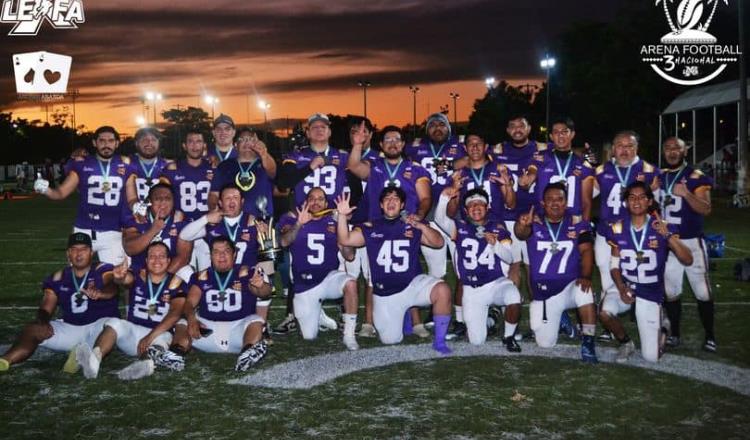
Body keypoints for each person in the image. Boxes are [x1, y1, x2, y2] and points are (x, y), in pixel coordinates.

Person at [336, 188, 453, 354]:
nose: (391, 202)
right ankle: (404, 316)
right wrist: (341, 216)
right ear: (381, 205)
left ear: (402, 204)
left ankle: (440, 342)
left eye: (396, 199)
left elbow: (438, 242)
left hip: (412, 286)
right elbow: (345, 239)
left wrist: (419, 224)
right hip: (385, 294)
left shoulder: (411, 224)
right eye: (387, 199)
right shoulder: (371, 226)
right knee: (390, 340)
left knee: (442, 290)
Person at [348, 124, 433, 337]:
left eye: (397, 140)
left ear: (403, 144)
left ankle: (416, 323)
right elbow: (353, 165)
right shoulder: (374, 166)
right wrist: (358, 144)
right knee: (371, 275)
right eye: (388, 140)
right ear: (381, 144)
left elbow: (425, 198)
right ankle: (368, 323)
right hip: (378, 227)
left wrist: (419, 217)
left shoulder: (416, 169)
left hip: (406, 227)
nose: (393, 143)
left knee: (411, 272)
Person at [0, 233, 123, 373]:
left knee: (114, 325)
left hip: (98, 328)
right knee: (33, 328)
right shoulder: (57, 278)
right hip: (70, 328)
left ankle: (88, 358)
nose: (79, 253)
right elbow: (47, 305)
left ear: (91, 253)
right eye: (74, 249)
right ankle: (5, 360)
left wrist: (101, 293)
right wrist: (42, 321)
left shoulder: (102, 269)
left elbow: (112, 287)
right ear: (68, 254)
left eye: (83, 249)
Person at [599, 181, 693, 363]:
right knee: (604, 313)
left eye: (642, 197)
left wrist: (667, 236)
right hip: (626, 285)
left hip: (650, 291)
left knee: (652, 357)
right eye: (632, 197)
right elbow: (614, 265)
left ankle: (664, 326)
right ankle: (626, 343)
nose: (636, 201)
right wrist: (620, 287)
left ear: (650, 201)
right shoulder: (617, 227)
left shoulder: (662, 226)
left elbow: (687, 259)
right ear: (626, 202)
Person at [75, 242, 188, 379]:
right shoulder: (138, 275)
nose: (157, 260)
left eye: (161, 256)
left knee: (163, 340)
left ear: (169, 261)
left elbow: (175, 313)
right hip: (133, 332)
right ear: (146, 260)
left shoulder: (176, 283)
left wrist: (150, 337)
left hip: (159, 334)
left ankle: (145, 364)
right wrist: (120, 277)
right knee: (114, 323)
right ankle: (93, 362)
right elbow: (126, 280)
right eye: (152, 256)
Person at [513, 182, 598, 363]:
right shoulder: (534, 221)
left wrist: (586, 276)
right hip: (544, 294)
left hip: (569, 288)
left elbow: (587, 251)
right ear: (543, 203)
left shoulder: (577, 223)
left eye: (559, 199)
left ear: (566, 202)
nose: (555, 203)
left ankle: (588, 341)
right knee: (545, 343)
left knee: (585, 291)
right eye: (550, 200)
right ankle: (562, 319)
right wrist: (522, 225)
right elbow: (521, 234)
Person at [435, 186, 522, 351]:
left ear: (487, 207)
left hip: (495, 283)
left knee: (513, 295)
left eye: (480, 204)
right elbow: (440, 220)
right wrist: (443, 199)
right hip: (471, 289)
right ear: (466, 211)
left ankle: (509, 337)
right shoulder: (459, 228)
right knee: (476, 341)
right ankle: (492, 319)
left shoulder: (498, 228)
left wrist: (495, 244)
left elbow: (509, 258)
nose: (476, 208)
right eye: (472, 205)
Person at [446, 133, 514, 339]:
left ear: (486, 146)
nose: (474, 147)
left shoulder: (498, 169)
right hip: (469, 228)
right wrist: (454, 192)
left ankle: (505, 311)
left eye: (479, 143)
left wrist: (507, 185)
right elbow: (450, 211)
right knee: (463, 273)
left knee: (505, 270)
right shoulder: (461, 173)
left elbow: (511, 203)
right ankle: (460, 321)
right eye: (470, 144)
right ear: (465, 148)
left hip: (496, 227)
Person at [593, 130, 660, 341]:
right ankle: (609, 323)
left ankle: (645, 313)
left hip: (636, 236)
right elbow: (585, 197)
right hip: (606, 233)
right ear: (613, 148)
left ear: (636, 148)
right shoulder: (602, 170)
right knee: (606, 277)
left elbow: (656, 205)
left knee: (640, 275)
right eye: (620, 146)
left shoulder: (648, 170)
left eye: (629, 146)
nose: (624, 150)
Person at [34, 126, 134, 264]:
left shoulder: (126, 164)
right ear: (95, 143)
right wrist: (46, 190)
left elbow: (132, 198)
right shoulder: (81, 164)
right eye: (102, 140)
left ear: (117, 143)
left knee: (115, 278)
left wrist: (137, 206)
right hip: (83, 229)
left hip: (113, 231)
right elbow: (61, 193)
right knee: (77, 276)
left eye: (111, 141)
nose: (106, 144)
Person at [279, 187, 360, 350]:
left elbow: (349, 256)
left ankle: (349, 335)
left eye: (320, 199)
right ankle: (318, 312)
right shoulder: (293, 217)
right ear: (306, 201)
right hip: (304, 285)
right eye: (312, 198)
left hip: (328, 279)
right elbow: (284, 242)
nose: (316, 202)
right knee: (309, 337)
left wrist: (342, 234)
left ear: (326, 202)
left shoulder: (334, 220)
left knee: (351, 283)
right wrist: (299, 224)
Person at [659, 137, 716, 352]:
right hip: (669, 242)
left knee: (702, 291)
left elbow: (706, 209)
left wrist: (687, 194)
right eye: (668, 148)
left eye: (677, 148)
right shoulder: (661, 176)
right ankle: (675, 334)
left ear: (685, 151)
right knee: (672, 291)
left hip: (691, 241)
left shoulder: (695, 177)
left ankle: (710, 336)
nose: (672, 152)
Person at [183, 237, 272, 372]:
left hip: (239, 332)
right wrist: (191, 319)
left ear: (234, 254)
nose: (222, 255)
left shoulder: (245, 273)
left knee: (256, 321)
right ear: (211, 255)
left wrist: (260, 286)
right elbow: (189, 302)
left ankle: (248, 353)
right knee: (181, 322)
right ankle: (175, 353)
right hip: (208, 332)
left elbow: (265, 293)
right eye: (216, 252)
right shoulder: (201, 276)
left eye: (226, 251)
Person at [492, 115, 544, 287]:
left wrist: (589, 156)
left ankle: (537, 305)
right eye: (512, 126)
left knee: (532, 265)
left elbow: (567, 151)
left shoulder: (541, 149)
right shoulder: (498, 151)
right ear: (507, 130)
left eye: (521, 125)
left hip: (533, 214)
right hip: (508, 215)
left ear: (529, 128)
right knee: (512, 264)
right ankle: (512, 305)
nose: (517, 129)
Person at [160, 129, 215, 271]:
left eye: (198, 142)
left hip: (207, 229)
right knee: (181, 274)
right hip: (181, 229)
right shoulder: (173, 169)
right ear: (184, 145)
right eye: (190, 142)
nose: (195, 146)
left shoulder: (214, 168)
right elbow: (162, 197)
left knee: (207, 274)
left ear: (204, 145)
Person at [121, 183, 192, 278]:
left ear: (173, 202)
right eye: (158, 199)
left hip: (169, 274)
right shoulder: (137, 217)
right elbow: (129, 249)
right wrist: (152, 230)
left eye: (167, 199)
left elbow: (182, 258)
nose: (163, 203)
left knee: (187, 271)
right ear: (149, 202)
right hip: (141, 274)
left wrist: (159, 279)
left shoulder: (181, 220)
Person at [530, 117, 594, 221]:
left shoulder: (583, 164)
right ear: (551, 136)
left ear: (572, 134)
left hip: (572, 222)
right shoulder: (540, 159)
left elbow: (586, 202)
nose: (560, 135)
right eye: (556, 132)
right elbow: (527, 182)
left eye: (565, 131)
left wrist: (584, 227)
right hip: (543, 221)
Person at [209, 127, 276, 219]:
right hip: (231, 222)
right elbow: (214, 194)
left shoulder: (264, 163)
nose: (247, 142)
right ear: (235, 145)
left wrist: (264, 153)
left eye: (251, 139)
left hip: (261, 223)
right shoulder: (224, 166)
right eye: (242, 139)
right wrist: (214, 209)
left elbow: (272, 171)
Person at [126, 127, 171, 215]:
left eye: (153, 140)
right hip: (131, 220)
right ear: (136, 143)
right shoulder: (126, 164)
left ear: (159, 143)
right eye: (144, 139)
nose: (149, 143)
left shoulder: (168, 166)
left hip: (160, 216)